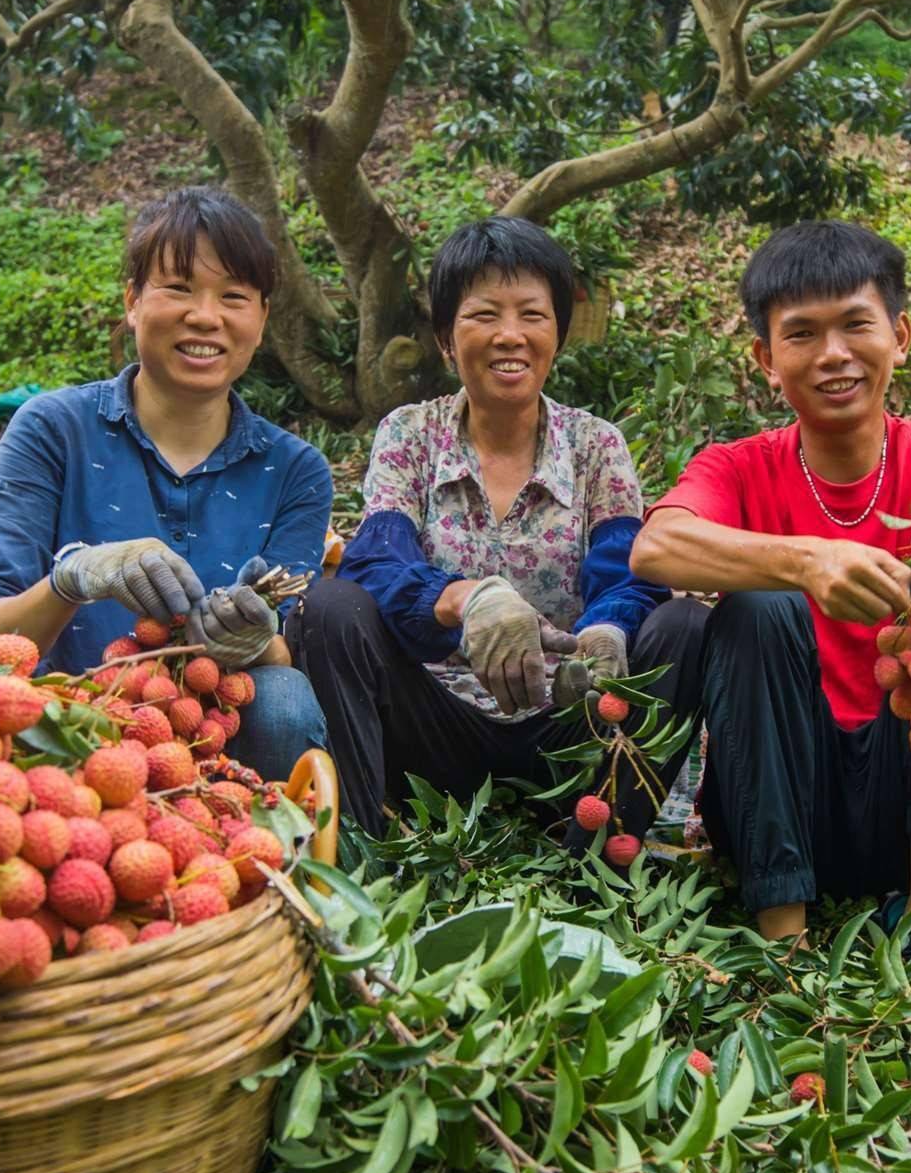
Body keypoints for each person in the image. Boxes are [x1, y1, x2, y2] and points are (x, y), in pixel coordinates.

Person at [632, 221, 911, 941]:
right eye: (801, 334)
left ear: (899, 336)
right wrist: (805, 561)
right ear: (765, 359)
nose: (833, 354)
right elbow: (656, 548)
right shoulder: (736, 466)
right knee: (758, 610)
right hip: (779, 799)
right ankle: (783, 923)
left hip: (909, 798)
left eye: (855, 325)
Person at [300, 219, 708, 842]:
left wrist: (608, 630)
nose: (509, 335)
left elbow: (625, 565)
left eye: (532, 315)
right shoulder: (411, 435)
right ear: (444, 337)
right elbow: (375, 563)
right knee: (328, 607)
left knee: (685, 626)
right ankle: (360, 843)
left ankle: (597, 852)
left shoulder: (594, 444)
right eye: (483, 314)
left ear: (557, 334)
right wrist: (468, 598)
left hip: (569, 728)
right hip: (436, 728)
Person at [0, 187, 329, 776]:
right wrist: (74, 578)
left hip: (213, 747)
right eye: (178, 288)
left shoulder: (295, 470)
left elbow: (285, 656)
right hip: (62, 732)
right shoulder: (53, 430)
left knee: (283, 699)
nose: (205, 316)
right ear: (132, 302)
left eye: (233, 296)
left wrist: (253, 639)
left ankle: (279, 857)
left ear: (261, 320)